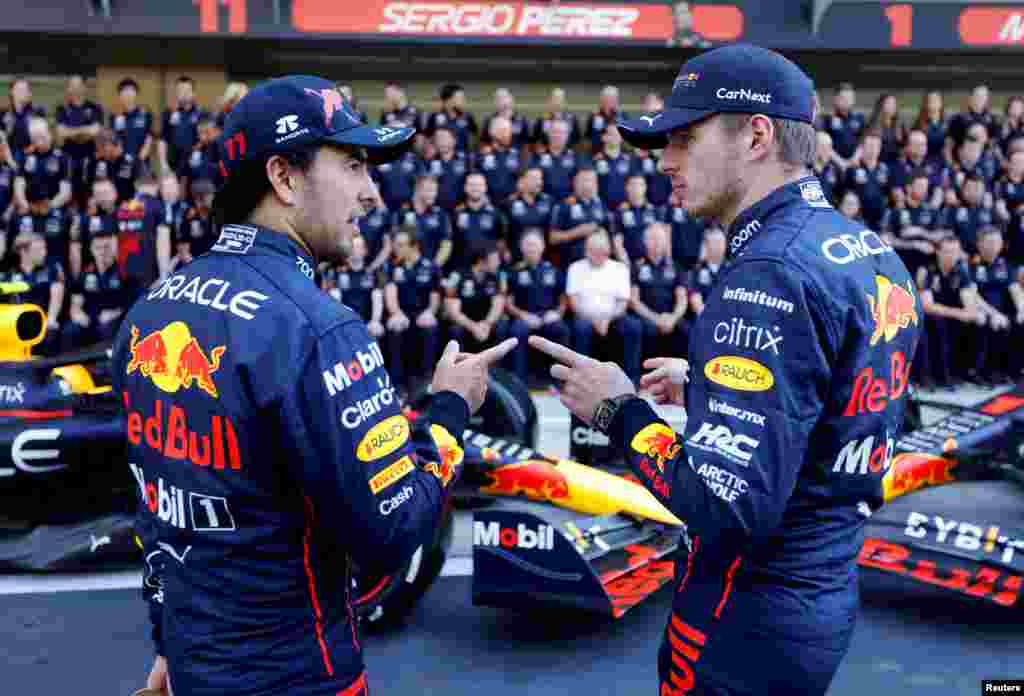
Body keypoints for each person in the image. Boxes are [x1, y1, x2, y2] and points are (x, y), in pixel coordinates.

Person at [533, 44, 921, 696]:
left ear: (756, 135)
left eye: (685, 137)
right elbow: (840, 404)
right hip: (820, 596)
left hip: (744, 615)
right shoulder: (872, 252)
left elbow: (722, 503)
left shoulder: (768, 270)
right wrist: (716, 385)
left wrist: (618, 411)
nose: (665, 161)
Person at [115, 75, 514, 696]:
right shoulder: (319, 330)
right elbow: (394, 534)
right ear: (284, 177)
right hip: (297, 675)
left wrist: (170, 641)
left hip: (193, 666)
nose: (372, 193)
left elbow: (159, 513)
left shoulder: (150, 312)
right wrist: (449, 413)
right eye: (354, 165)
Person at [565, 230, 640, 381]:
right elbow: (573, 303)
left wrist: (607, 318)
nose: (599, 255)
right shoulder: (575, 268)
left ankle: (632, 378)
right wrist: (594, 319)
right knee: (581, 328)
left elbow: (623, 302)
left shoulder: (619, 268)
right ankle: (581, 378)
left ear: (608, 251)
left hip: (613, 316)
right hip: (584, 316)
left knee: (633, 327)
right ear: (586, 251)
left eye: (603, 251)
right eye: (594, 251)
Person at [505, 229, 570, 385]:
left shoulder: (553, 270)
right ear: (521, 247)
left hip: (549, 316)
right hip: (525, 316)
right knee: (517, 330)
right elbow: (507, 302)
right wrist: (523, 315)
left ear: (542, 247)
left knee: (562, 330)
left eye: (535, 244)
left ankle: (560, 380)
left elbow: (564, 299)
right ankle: (518, 380)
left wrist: (557, 313)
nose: (531, 248)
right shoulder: (514, 271)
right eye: (528, 244)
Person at [384, 226, 443, 394]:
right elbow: (390, 293)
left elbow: (434, 298)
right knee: (395, 328)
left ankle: (427, 381)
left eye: (401, 245)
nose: (397, 248)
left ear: (414, 246)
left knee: (429, 328)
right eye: (396, 244)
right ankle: (397, 385)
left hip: (422, 312)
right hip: (401, 312)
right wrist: (396, 313)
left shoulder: (430, 267)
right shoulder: (392, 267)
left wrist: (430, 312)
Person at [918, 235, 984, 386]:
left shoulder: (961, 270)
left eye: (955, 252)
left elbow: (968, 302)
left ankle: (971, 371)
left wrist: (969, 313)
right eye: (947, 251)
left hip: (950, 312)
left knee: (978, 321)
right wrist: (959, 314)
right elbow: (927, 306)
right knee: (938, 323)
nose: (952, 256)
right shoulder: (926, 270)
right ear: (938, 252)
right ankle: (938, 376)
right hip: (930, 316)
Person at [629, 223, 689, 361]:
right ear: (645, 242)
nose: (657, 243)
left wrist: (673, 318)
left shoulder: (675, 266)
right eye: (653, 239)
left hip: (671, 316)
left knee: (686, 329)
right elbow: (634, 301)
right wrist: (656, 319)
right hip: (647, 317)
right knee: (648, 330)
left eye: (660, 239)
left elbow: (682, 299)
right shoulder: (637, 267)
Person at [444, 242, 509, 354]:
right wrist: (473, 327)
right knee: (455, 330)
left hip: (487, 321)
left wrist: (487, 324)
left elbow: (498, 305)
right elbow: (453, 312)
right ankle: (459, 366)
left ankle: (496, 368)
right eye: (494, 260)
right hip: (465, 322)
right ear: (481, 261)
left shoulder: (498, 276)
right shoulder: (457, 276)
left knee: (502, 325)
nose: (498, 263)